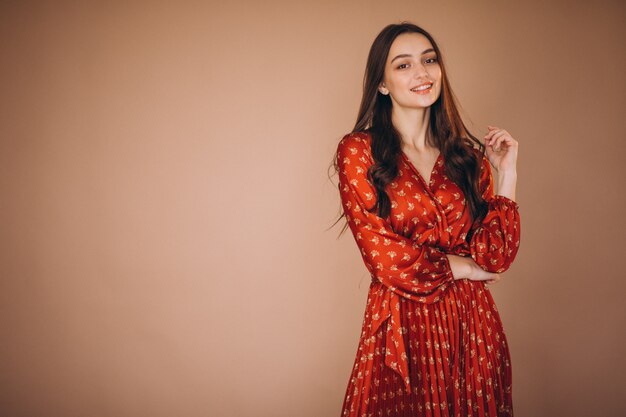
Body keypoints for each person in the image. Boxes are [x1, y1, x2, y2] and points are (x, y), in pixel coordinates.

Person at [333, 22, 521, 416]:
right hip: (403, 326)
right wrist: (463, 268)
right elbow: (384, 258)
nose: (422, 73)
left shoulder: (467, 158)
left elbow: (496, 256)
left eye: (429, 60)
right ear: (381, 84)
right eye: (403, 65)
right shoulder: (359, 152)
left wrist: (506, 175)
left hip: (472, 328)